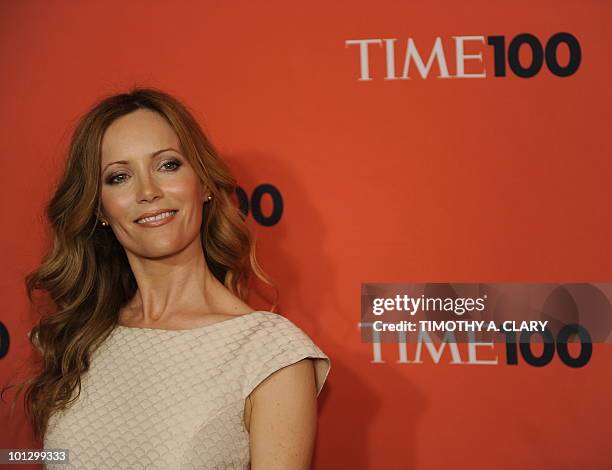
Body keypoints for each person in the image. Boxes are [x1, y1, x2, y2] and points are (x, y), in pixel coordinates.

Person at [6, 87, 331, 469]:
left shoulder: (268, 354)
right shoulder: (82, 336)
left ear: (205, 184)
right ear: (99, 209)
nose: (148, 192)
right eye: (119, 177)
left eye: (168, 165)